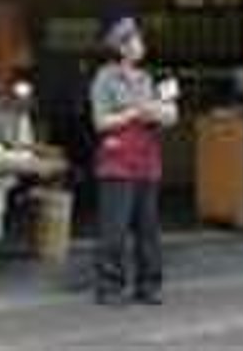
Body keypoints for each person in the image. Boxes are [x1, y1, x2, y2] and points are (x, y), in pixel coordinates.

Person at [89, 16, 177, 306]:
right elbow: (100, 122)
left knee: (148, 229)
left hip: (146, 160)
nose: (141, 45)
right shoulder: (104, 78)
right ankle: (110, 287)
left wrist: (164, 114)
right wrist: (134, 113)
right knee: (114, 230)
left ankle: (149, 285)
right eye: (136, 40)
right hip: (116, 162)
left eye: (140, 40)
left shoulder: (145, 79)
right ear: (122, 47)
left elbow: (163, 114)